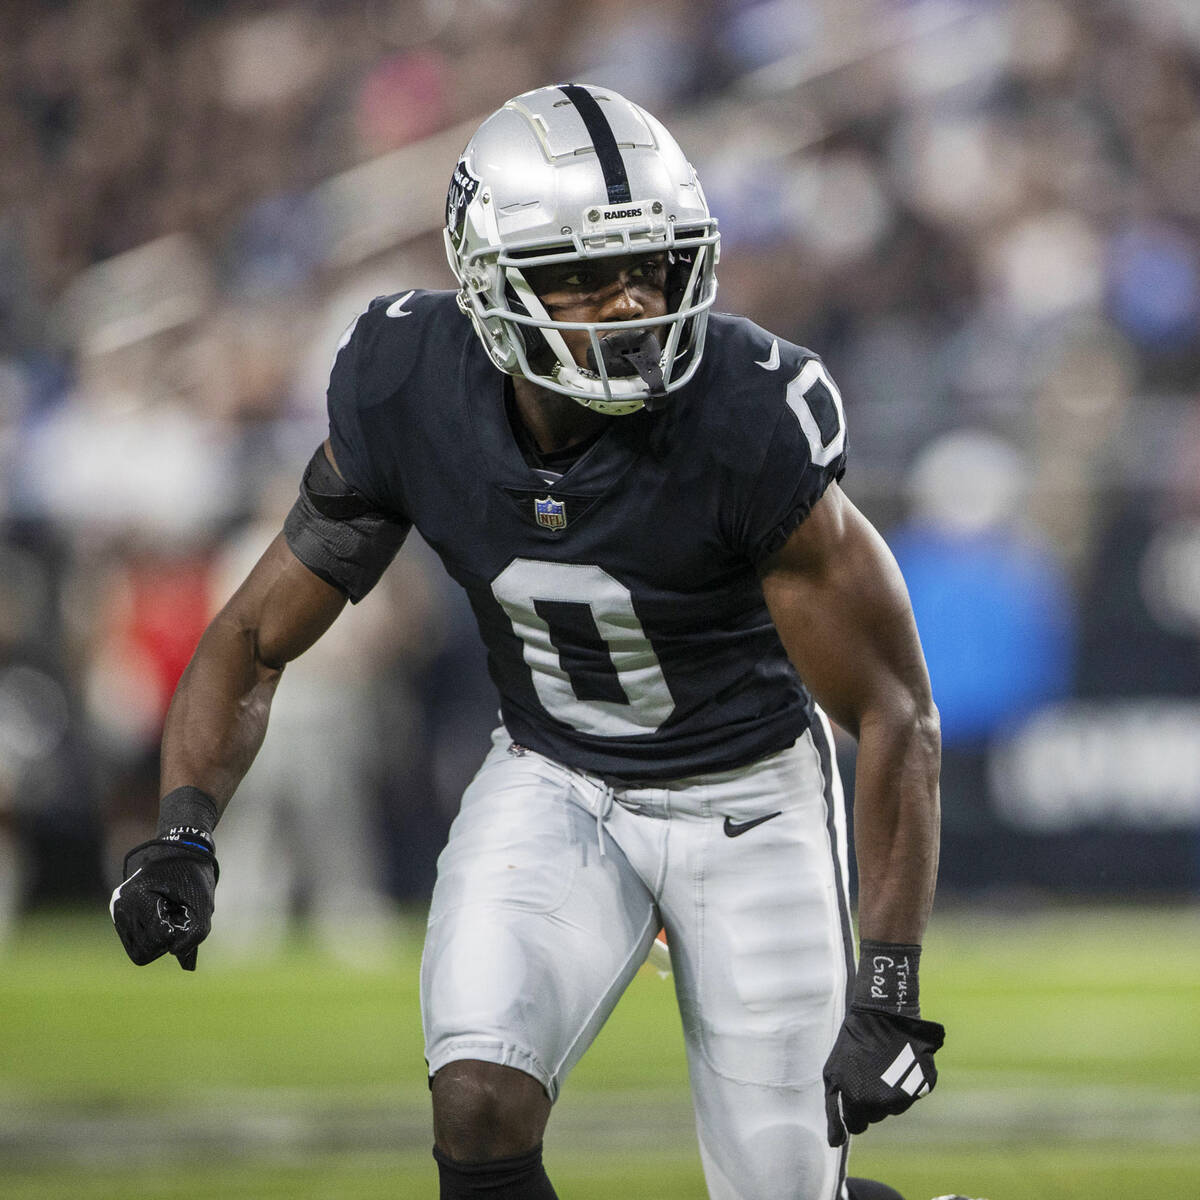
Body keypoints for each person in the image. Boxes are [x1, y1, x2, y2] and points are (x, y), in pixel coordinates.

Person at [111, 84, 953, 1200]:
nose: (630, 302)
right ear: (490, 284)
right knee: (476, 1095)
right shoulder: (410, 383)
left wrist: (887, 984)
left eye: (650, 266)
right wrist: (183, 831)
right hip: (557, 776)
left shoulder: (749, 414)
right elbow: (257, 634)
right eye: (583, 276)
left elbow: (896, 709)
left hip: (747, 802)